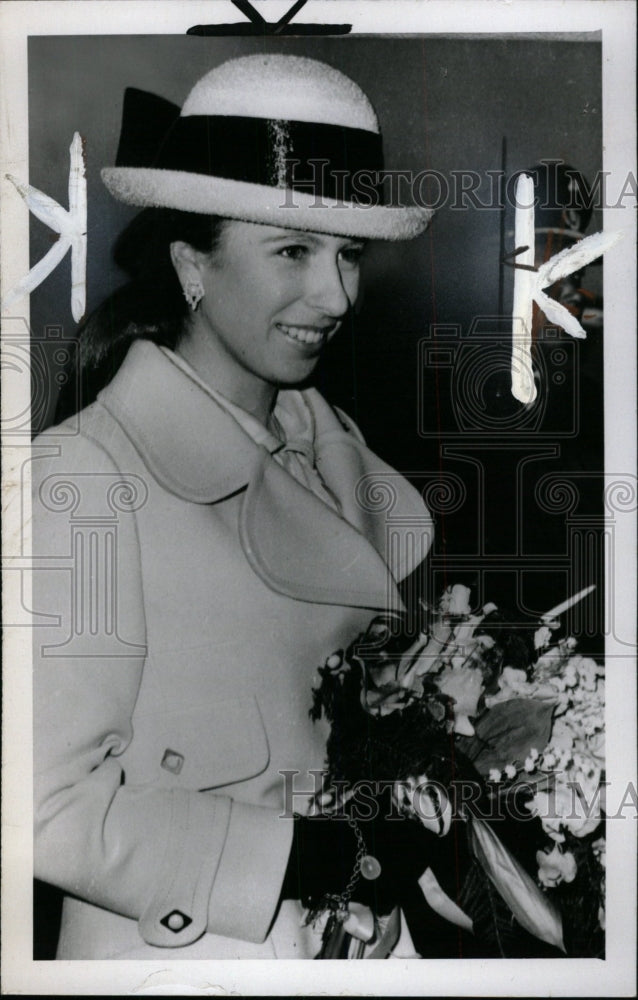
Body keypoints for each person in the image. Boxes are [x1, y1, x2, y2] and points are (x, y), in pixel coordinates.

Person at [32, 53, 446, 960]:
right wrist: (301, 858)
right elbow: (38, 805)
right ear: (192, 265)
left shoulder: (330, 457)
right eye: (293, 251)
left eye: (349, 254)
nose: (336, 296)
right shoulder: (86, 478)